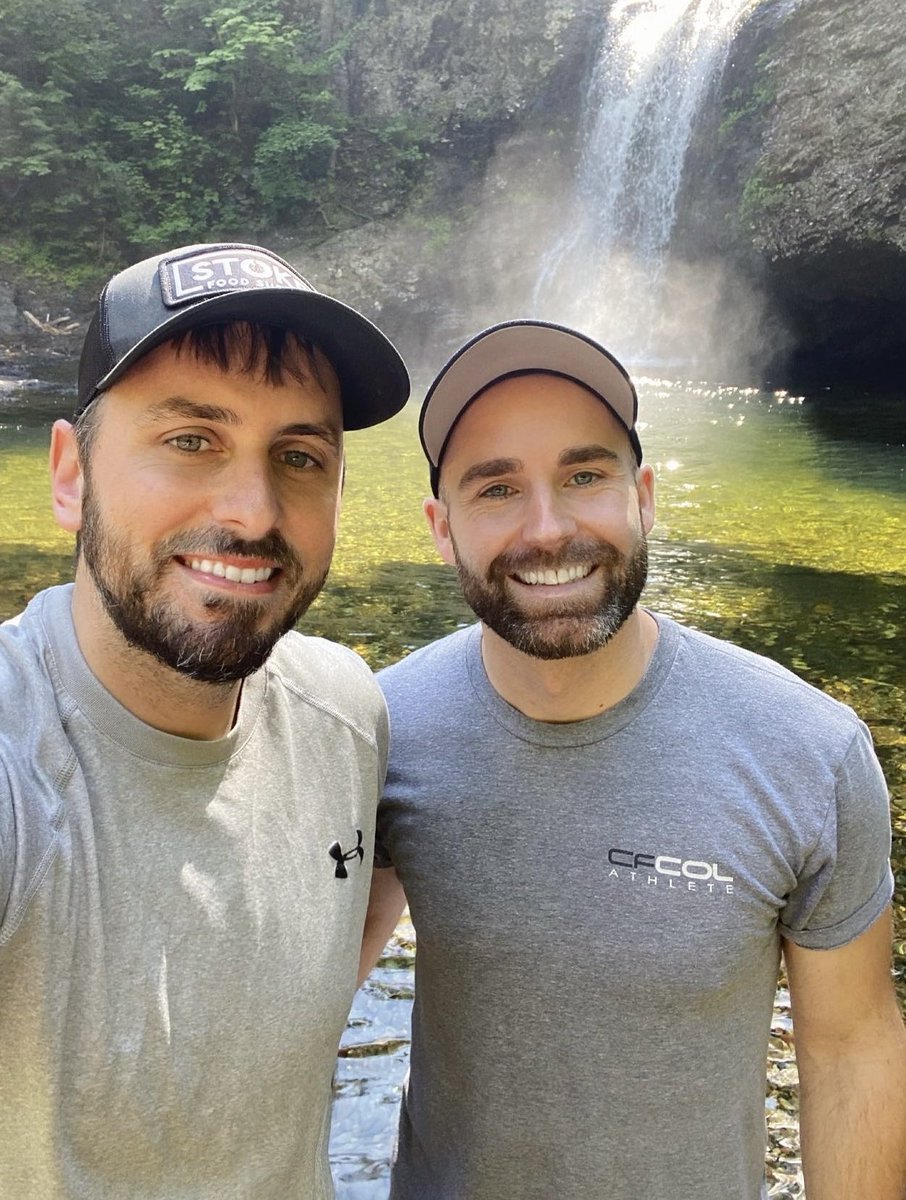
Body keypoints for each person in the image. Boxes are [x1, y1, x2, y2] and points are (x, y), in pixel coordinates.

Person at [360, 319, 906, 1199]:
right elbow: (301, 991)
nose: (548, 528)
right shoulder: (378, 730)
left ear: (645, 496)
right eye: (496, 488)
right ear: (440, 527)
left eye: (584, 475)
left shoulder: (811, 752)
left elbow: (850, 1052)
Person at [0, 242, 410, 1198]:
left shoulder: (347, 715)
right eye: (193, 439)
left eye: (300, 457)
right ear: (71, 475)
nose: (254, 510)